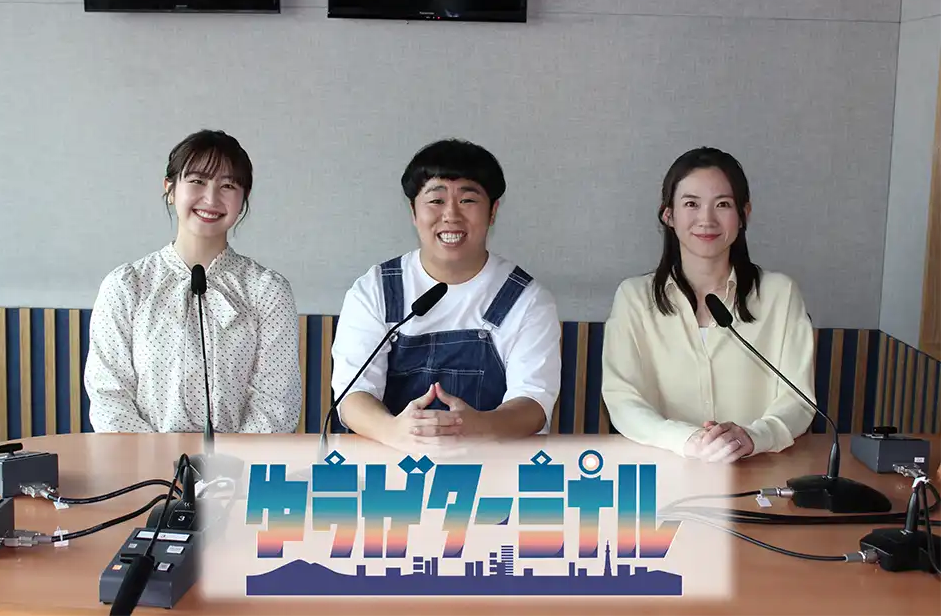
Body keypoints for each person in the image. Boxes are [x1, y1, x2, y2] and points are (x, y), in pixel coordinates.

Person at [330, 139, 561, 452]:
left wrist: (479, 427)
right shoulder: (374, 290)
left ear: (493, 211)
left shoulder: (527, 300)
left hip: (493, 465)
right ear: (413, 211)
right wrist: (395, 430)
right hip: (389, 464)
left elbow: (533, 402)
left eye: (468, 200)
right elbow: (352, 394)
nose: (451, 215)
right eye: (436, 200)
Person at [600, 147, 816, 463]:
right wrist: (688, 440)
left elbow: (798, 400)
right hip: (665, 468)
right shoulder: (634, 298)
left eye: (723, 204)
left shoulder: (780, 295)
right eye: (691, 204)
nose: (707, 219)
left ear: (744, 214)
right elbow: (622, 400)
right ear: (668, 215)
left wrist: (752, 437)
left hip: (759, 468)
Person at [84, 129, 303, 434]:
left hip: (242, 462)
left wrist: (227, 461)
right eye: (198, 181)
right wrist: (160, 459)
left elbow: (276, 405)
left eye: (228, 185)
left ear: (243, 198)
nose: (211, 199)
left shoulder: (267, 291)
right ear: (170, 188)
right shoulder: (126, 286)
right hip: (142, 461)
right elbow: (109, 399)